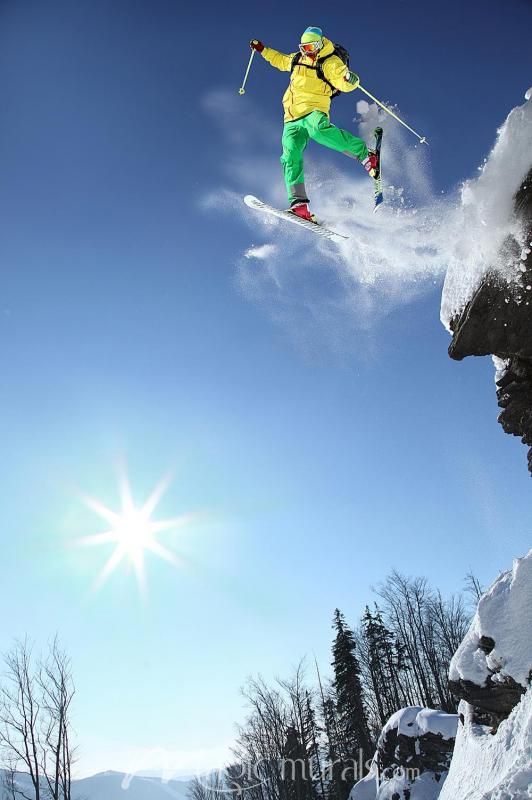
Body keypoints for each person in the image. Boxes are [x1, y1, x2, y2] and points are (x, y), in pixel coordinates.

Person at [250, 28, 377, 223]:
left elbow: (342, 81)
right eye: (304, 47)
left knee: (318, 130)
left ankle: (365, 154)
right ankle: (299, 205)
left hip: (313, 110)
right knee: (290, 154)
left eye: (311, 47)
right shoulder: (296, 59)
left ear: (319, 45)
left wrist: (351, 80)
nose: (307, 51)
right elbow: (279, 59)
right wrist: (262, 49)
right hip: (291, 117)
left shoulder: (330, 62)